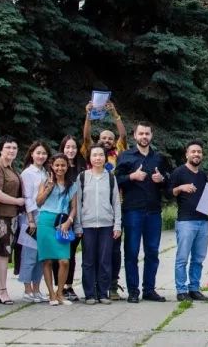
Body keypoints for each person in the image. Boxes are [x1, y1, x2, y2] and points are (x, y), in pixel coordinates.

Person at [115, 121, 171, 303]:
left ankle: (149, 289)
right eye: (141, 134)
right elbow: (115, 180)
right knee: (131, 252)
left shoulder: (159, 158)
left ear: (151, 136)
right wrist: (132, 176)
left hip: (153, 211)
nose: (144, 137)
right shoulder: (125, 156)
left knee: (152, 252)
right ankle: (133, 291)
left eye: (147, 134)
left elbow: (168, 183)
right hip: (132, 211)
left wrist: (161, 179)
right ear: (135, 136)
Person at [79, 99, 127, 300]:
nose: (107, 141)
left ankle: (110, 287)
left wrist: (114, 112)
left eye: (110, 138)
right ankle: (91, 291)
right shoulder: (88, 165)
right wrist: (89, 114)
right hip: (90, 218)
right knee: (90, 258)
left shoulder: (117, 154)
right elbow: (86, 136)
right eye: (103, 138)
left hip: (111, 213)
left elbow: (123, 134)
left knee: (110, 255)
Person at [75, 144, 122, 305]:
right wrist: (78, 225)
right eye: (94, 155)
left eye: (101, 155)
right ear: (90, 158)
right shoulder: (82, 177)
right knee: (88, 260)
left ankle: (103, 293)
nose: (98, 158)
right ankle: (89, 294)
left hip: (106, 225)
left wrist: (117, 225)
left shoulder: (110, 177)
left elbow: (116, 202)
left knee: (104, 260)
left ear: (105, 157)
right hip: (87, 226)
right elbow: (78, 203)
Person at [170, 141, 208, 302]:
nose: (196, 154)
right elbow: (169, 192)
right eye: (193, 151)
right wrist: (181, 188)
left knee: (198, 259)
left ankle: (194, 288)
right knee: (182, 258)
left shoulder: (203, 175)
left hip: (203, 221)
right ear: (187, 154)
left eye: (199, 152)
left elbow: (203, 196)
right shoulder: (179, 172)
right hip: (186, 221)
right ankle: (181, 290)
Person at [36, 153, 78, 305]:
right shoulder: (45, 181)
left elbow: (74, 208)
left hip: (62, 222)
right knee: (46, 260)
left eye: (63, 165)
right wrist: (49, 188)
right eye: (57, 165)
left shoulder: (72, 185)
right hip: (46, 221)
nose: (60, 168)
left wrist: (69, 222)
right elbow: (38, 202)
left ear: (67, 167)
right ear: (52, 166)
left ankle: (60, 293)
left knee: (64, 260)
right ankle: (51, 294)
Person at [0, 136, 24, 305]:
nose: (11, 150)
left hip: (11, 217)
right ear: (1, 150)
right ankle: (1, 290)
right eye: (8, 147)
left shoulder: (11, 168)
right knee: (1, 255)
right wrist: (17, 201)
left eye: (14, 148)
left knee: (4, 255)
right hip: (1, 217)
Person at [19, 141, 50, 303]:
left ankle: (37, 289)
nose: (41, 156)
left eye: (44, 153)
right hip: (30, 218)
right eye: (38, 153)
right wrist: (31, 220)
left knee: (41, 256)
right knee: (29, 256)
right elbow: (27, 198)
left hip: (44, 219)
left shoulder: (46, 172)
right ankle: (27, 289)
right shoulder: (27, 173)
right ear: (32, 154)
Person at [60, 135, 86, 302]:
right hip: (60, 216)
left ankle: (68, 285)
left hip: (78, 216)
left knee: (71, 253)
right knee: (60, 253)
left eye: (73, 147)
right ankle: (59, 286)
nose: (70, 150)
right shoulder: (58, 166)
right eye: (67, 147)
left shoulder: (82, 168)